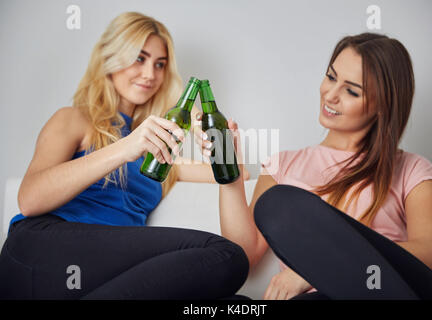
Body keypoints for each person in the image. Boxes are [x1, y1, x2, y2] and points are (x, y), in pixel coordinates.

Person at [0, 12, 249, 299]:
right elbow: (29, 200)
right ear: (111, 59)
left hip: (101, 274)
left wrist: (199, 125)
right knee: (224, 255)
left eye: (160, 65)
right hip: (41, 251)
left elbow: (232, 174)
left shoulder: (158, 150)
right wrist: (124, 147)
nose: (150, 74)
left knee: (235, 303)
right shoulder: (74, 119)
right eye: (139, 58)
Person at [196, 32, 432, 299]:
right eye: (331, 77)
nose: (331, 95)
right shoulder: (282, 165)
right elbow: (244, 258)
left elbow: (429, 257)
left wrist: (318, 269)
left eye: (351, 90)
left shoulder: (412, 169)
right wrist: (231, 176)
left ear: (382, 106)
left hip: (393, 292)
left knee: (278, 203)